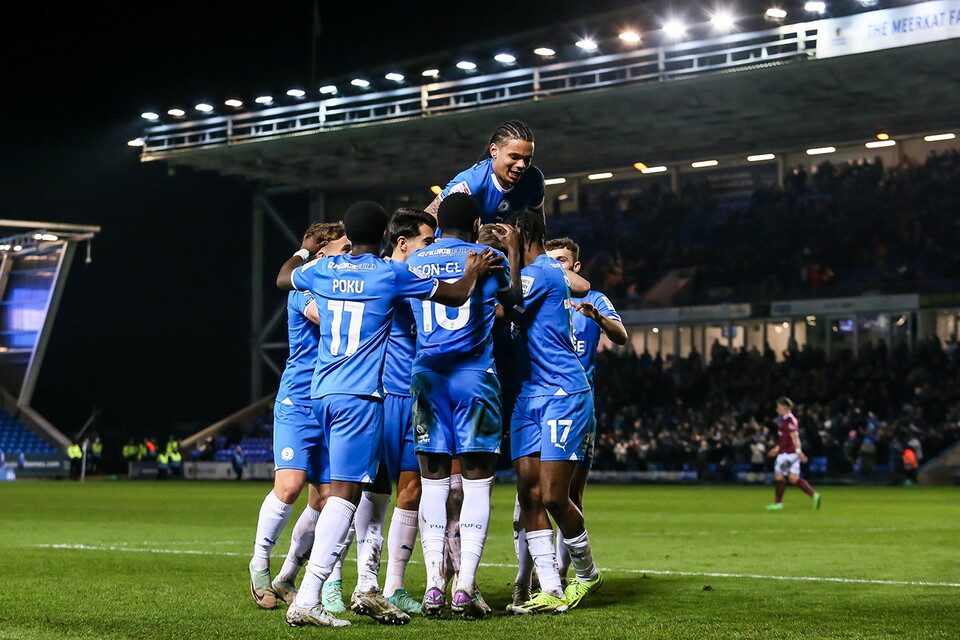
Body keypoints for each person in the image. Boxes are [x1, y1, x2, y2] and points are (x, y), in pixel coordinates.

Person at [276, 200, 501, 628]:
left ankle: (351, 588)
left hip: (321, 392)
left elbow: (285, 277)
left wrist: (305, 249)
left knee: (351, 493)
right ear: (384, 236)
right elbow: (455, 295)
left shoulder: (325, 269)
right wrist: (472, 268)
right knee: (345, 496)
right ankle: (310, 595)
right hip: (361, 397)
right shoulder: (389, 273)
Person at [406, 193, 520, 619]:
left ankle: (434, 583)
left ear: (437, 229)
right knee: (476, 484)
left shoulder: (416, 261)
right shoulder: (486, 255)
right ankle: (465, 585)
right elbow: (512, 297)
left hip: (428, 376)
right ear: (475, 223)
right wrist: (509, 250)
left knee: (433, 484)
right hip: (474, 378)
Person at [248, 222, 352, 611]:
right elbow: (332, 321)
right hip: (298, 402)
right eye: (343, 249)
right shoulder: (303, 291)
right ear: (322, 256)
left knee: (327, 499)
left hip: (335, 402)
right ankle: (259, 563)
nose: (350, 255)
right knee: (289, 487)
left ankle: (289, 575)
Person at [506, 210, 602, 615]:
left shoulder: (542, 270)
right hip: (528, 395)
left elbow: (505, 303)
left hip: (561, 392)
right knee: (528, 495)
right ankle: (549, 588)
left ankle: (586, 574)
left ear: (521, 236)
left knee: (552, 495)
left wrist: (508, 253)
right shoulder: (545, 273)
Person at [544, 237, 627, 587]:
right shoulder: (541, 295)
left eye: (562, 260)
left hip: (578, 406)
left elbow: (621, 335)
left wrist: (599, 319)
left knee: (569, 495)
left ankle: (563, 572)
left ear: (576, 267)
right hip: (540, 402)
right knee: (535, 495)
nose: (556, 266)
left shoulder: (592, 298)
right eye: (550, 260)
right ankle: (537, 572)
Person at [425, 121, 545, 225]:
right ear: (494, 151)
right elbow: (428, 217)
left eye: (527, 159)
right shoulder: (471, 182)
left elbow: (537, 221)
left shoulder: (534, 179)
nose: (521, 165)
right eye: (514, 157)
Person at [765, 397, 822, 510]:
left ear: (785, 408)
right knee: (793, 478)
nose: (777, 409)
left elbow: (794, 437)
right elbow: (784, 439)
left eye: (778, 407)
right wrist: (777, 448)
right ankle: (814, 495)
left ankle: (778, 504)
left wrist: (799, 452)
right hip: (786, 453)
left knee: (779, 476)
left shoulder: (790, 421)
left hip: (788, 454)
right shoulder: (785, 421)